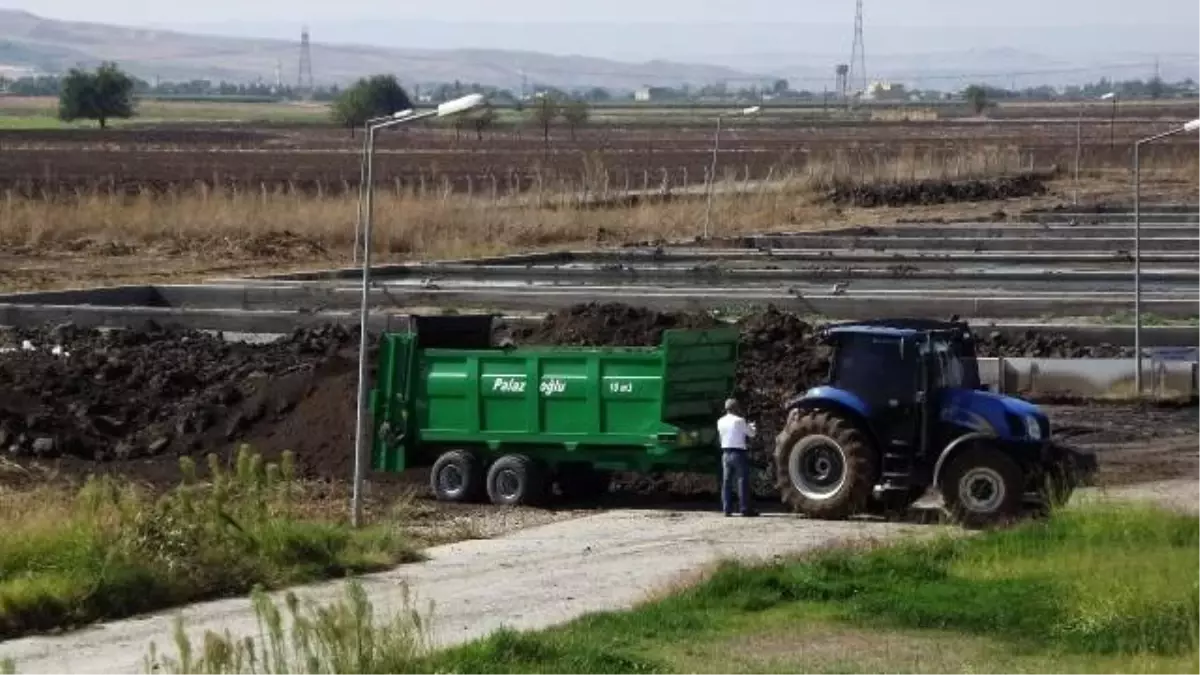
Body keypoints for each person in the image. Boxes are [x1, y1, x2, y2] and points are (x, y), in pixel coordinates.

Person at [717, 398, 759, 517]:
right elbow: (751, 434)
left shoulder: (720, 421)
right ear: (736, 408)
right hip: (738, 453)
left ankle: (726, 509)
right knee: (742, 481)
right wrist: (752, 426)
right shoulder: (739, 420)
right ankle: (745, 508)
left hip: (725, 453)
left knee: (726, 482)